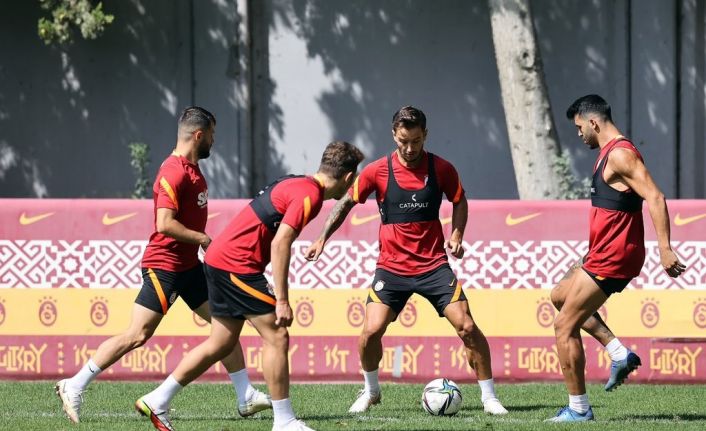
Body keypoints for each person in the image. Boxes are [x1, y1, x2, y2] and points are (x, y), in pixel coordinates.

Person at [55, 107, 270, 424]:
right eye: (212, 134)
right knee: (138, 334)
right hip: (165, 267)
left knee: (226, 324)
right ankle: (73, 384)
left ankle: (245, 396)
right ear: (198, 135)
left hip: (189, 267)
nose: (214, 140)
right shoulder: (174, 172)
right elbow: (164, 224)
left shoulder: (193, 169)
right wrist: (203, 238)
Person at [135, 141, 365, 431]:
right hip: (236, 266)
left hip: (220, 260)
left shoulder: (296, 182)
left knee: (221, 342)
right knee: (277, 335)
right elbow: (281, 243)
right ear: (348, 177)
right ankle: (284, 421)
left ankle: (157, 399)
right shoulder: (311, 195)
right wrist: (282, 301)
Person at [305, 106, 508, 416]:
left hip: (433, 266)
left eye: (416, 141)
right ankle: (371, 391)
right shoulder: (377, 171)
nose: (410, 148)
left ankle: (489, 398)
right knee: (370, 333)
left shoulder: (442, 169)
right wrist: (322, 237)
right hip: (392, 269)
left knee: (467, 327)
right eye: (403, 141)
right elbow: (345, 203)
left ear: (425, 135)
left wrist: (456, 235)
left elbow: (459, 200)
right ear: (393, 135)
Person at [546, 95, 686, 422]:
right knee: (559, 295)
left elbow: (656, 197)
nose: (579, 134)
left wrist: (665, 248)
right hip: (602, 251)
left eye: (579, 127)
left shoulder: (621, 155)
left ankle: (579, 409)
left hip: (614, 256)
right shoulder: (607, 153)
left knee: (564, 326)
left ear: (594, 123)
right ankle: (618, 353)